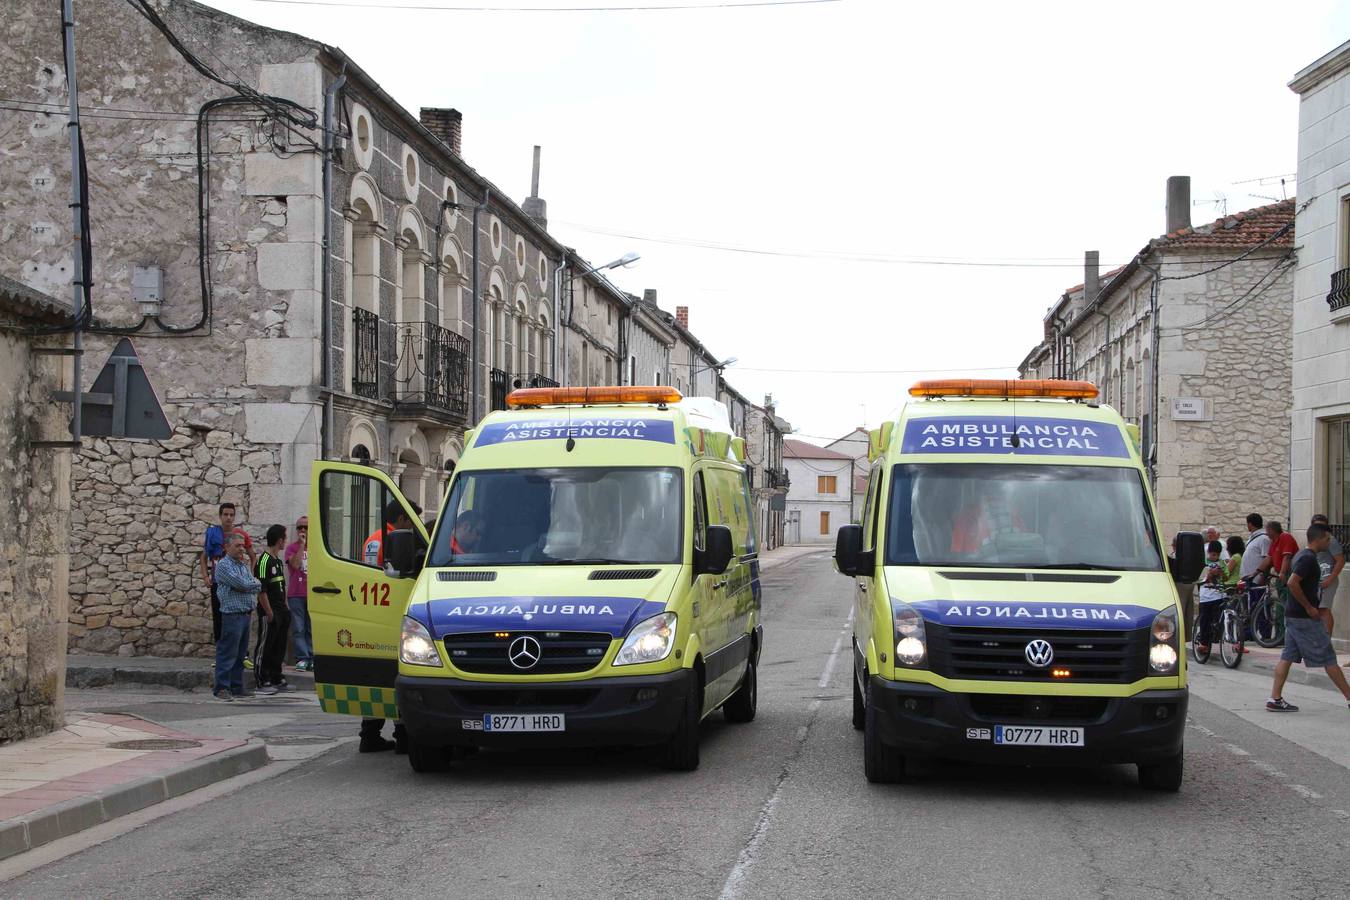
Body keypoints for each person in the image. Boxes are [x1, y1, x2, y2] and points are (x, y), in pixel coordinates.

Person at [1266, 524, 1350, 712]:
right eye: (1327, 539)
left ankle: (1275, 699)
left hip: (1294, 615)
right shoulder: (1307, 559)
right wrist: (1309, 607)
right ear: (1318, 539)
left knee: (1287, 656)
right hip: (1304, 618)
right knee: (1328, 657)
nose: (1330, 542)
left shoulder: (1303, 556)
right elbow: (1292, 583)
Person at [358, 499, 420, 754]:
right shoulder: (396, 539)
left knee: (374, 677)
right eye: (412, 521)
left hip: (371, 612)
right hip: (392, 613)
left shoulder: (373, 537)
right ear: (404, 519)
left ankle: (369, 734)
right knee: (397, 675)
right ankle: (403, 735)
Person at [213, 533, 262, 701]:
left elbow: (253, 584)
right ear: (227, 547)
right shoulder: (224, 566)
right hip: (232, 615)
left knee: (240, 654)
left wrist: (252, 584)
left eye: (243, 545)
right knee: (228, 652)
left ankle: (236, 685)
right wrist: (253, 584)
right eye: (237, 545)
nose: (242, 548)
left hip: (245, 614)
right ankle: (222, 688)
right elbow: (243, 584)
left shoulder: (242, 566)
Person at [201, 502, 255, 643]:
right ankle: (220, 652)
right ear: (220, 516)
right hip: (218, 582)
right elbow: (203, 557)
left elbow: (253, 556)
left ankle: (242, 654)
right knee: (219, 617)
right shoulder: (213, 534)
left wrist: (250, 577)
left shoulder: (241, 535)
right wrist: (205, 576)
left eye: (231, 515)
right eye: (225, 514)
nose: (229, 518)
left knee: (239, 616)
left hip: (237, 582)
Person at [253, 524, 294, 694]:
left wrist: (285, 607)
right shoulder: (263, 561)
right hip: (269, 612)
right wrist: (269, 611)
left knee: (279, 646)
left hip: (281, 610)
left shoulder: (277, 560)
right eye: (284, 538)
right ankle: (262, 679)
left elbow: (281, 585)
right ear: (279, 540)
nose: (286, 541)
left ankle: (277, 676)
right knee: (266, 645)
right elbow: (261, 589)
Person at [285, 516, 312, 673]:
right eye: (300, 527)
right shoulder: (292, 548)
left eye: (306, 527)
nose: (302, 530)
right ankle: (302, 658)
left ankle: (311, 656)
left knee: (310, 628)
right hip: (296, 594)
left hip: (313, 593)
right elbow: (295, 565)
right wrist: (302, 545)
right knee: (298, 627)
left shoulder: (317, 548)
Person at [1310, 514, 1345, 638]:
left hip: (1327, 579)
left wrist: (1330, 579)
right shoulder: (1314, 540)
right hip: (1317, 580)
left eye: (1321, 525)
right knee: (1317, 610)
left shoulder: (1331, 541)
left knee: (1324, 609)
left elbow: (1340, 561)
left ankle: (1326, 640)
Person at [1194, 540, 1226, 653]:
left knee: (1220, 617)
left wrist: (1221, 573)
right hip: (1206, 596)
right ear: (1209, 552)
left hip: (1219, 594)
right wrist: (1209, 575)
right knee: (1205, 619)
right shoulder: (1203, 563)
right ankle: (1204, 642)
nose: (1215, 557)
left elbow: (1226, 577)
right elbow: (1199, 579)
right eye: (1213, 554)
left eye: (1217, 555)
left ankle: (1219, 636)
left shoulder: (1222, 563)